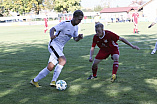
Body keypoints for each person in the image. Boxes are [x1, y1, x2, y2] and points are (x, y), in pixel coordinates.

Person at [30, 10, 84, 87]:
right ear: (74, 17)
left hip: (60, 47)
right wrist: (52, 35)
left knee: (50, 67)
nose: (80, 21)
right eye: (79, 19)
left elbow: (75, 39)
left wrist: (79, 37)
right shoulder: (65, 24)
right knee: (63, 60)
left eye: (81, 20)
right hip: (54, 44)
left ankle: (34, 81)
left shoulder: (76, 28)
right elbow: (52, 29)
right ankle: (53, 81)